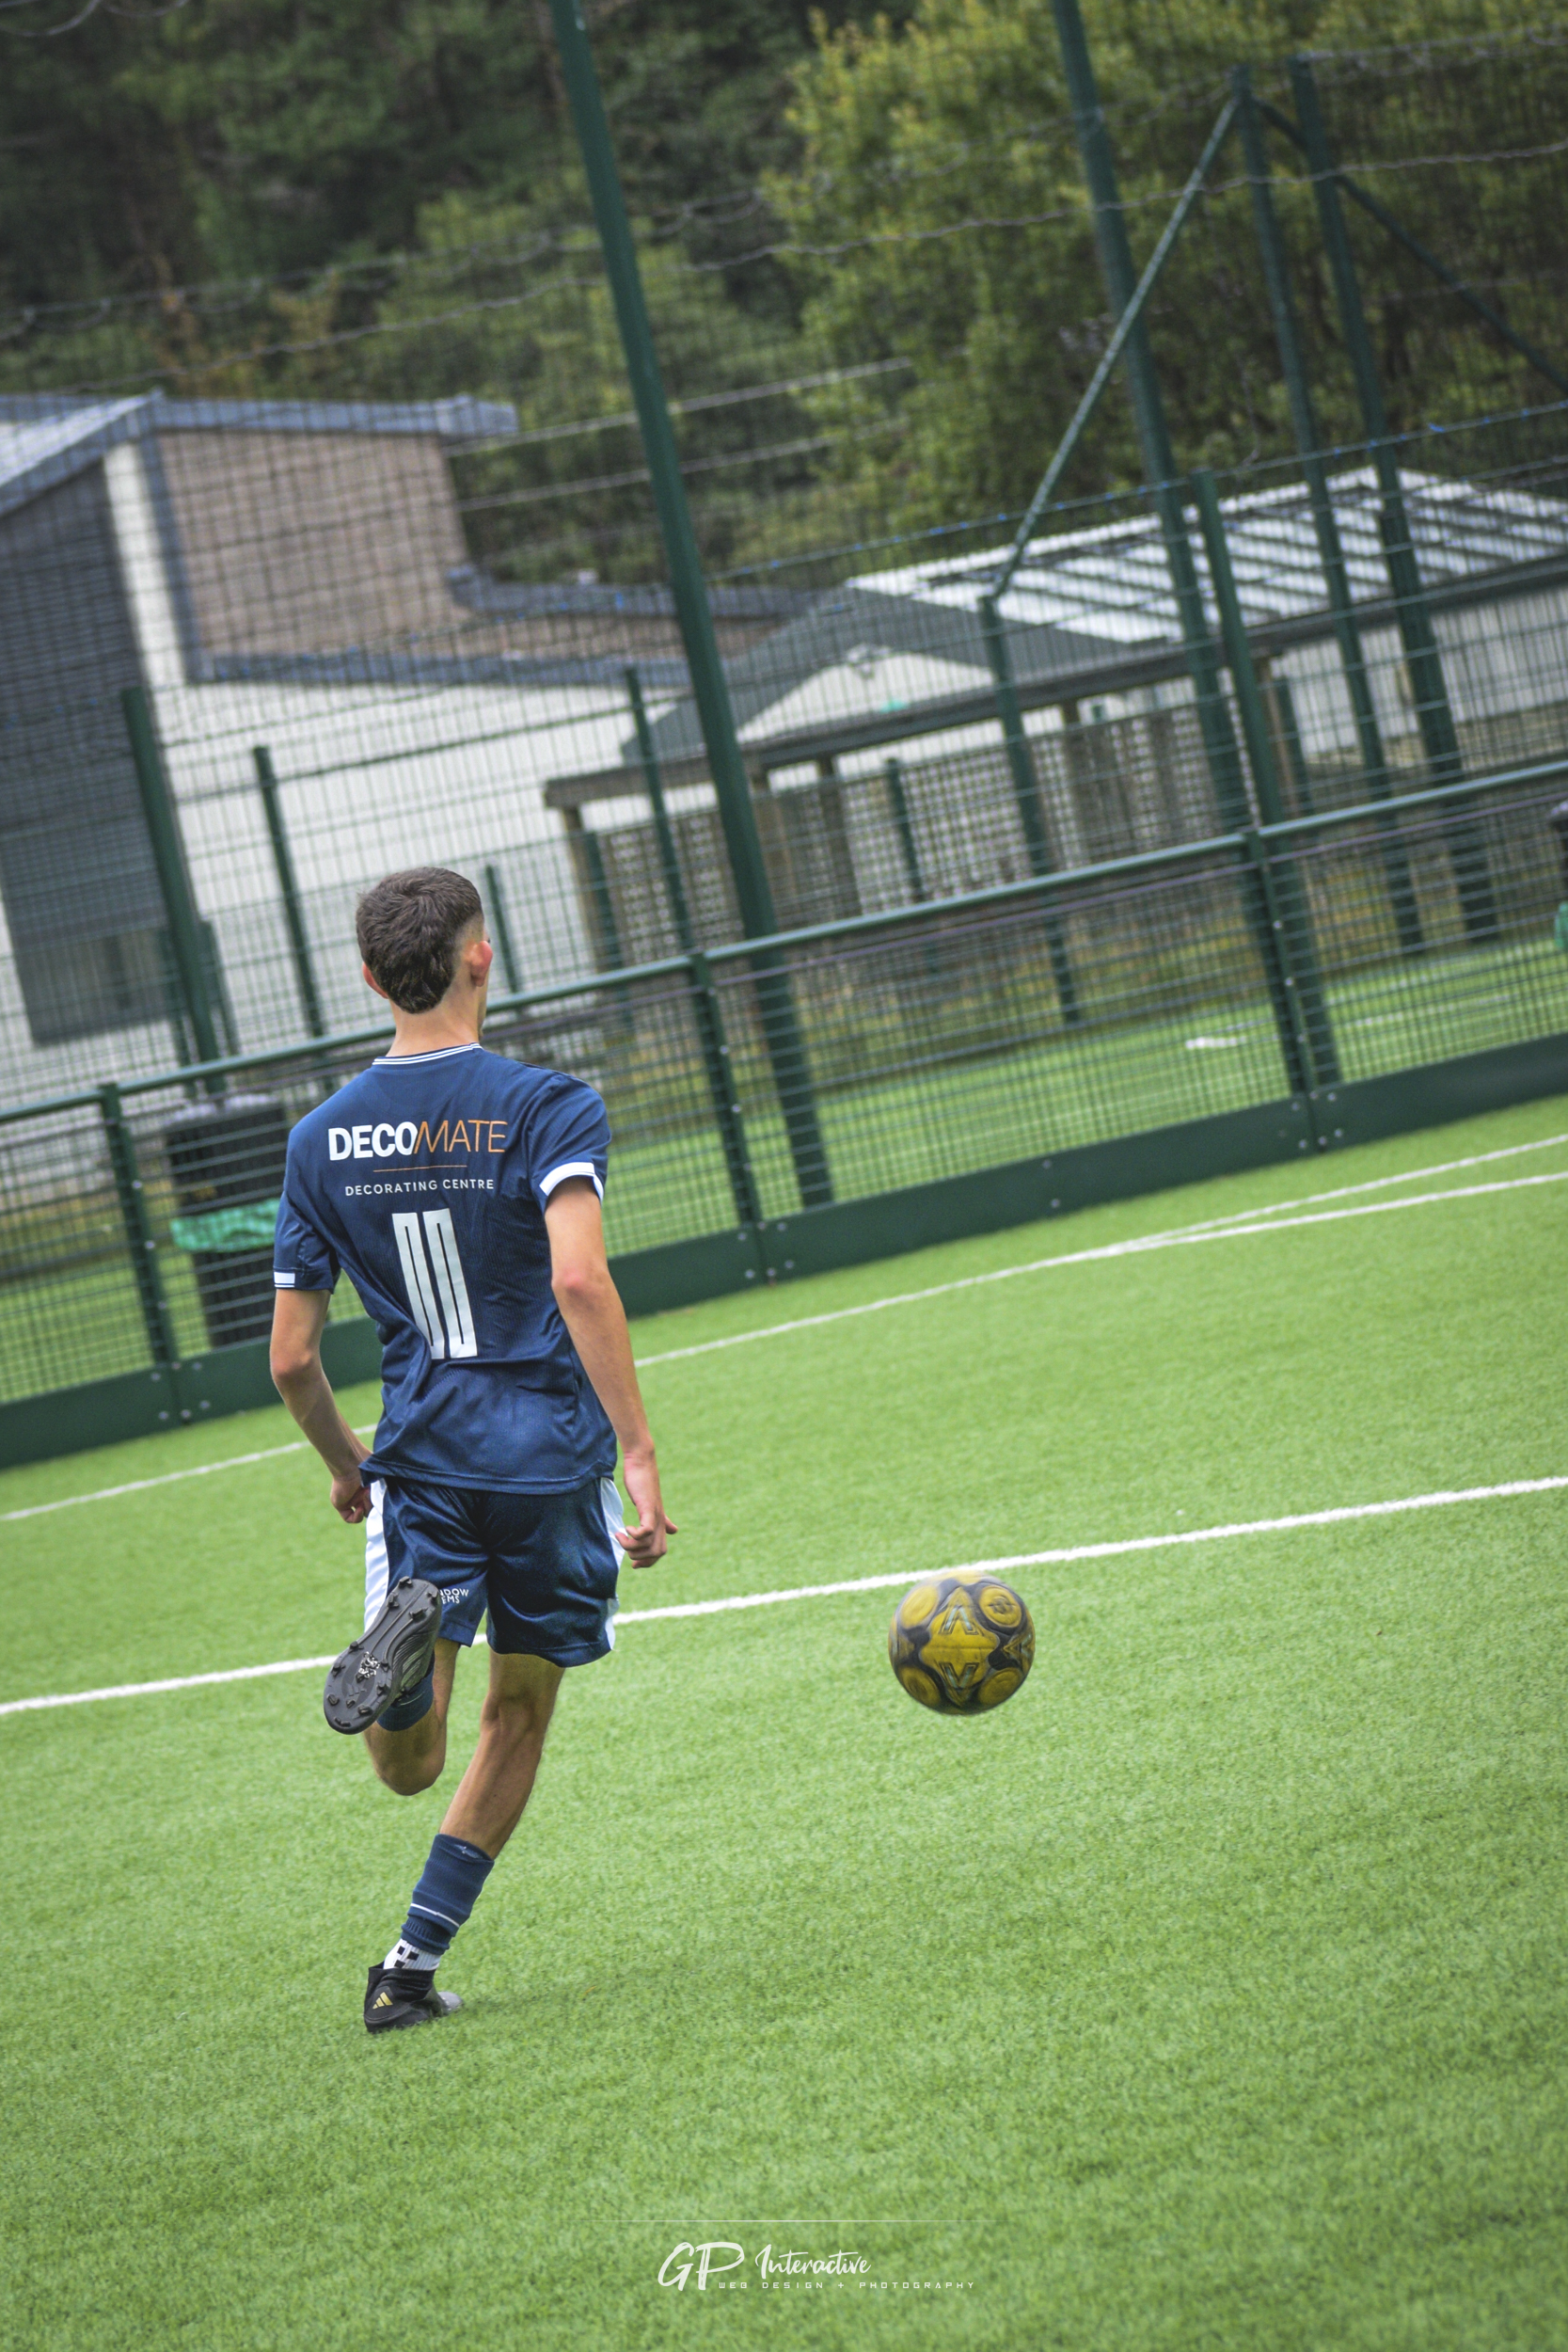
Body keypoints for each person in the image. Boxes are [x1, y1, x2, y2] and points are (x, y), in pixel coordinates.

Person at [269, 866, 673, 2033]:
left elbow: (292, 1360)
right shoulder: (548, 1104)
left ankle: (401, 1669)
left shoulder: (317, 1140)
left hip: (423, 1462)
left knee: (408, 1764)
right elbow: (578, 1278)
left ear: (368, 978)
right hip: (545, 1461)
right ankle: (405, 1971)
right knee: (519, 1715)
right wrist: (638, 1450)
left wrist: (346, 1465)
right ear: (479, 957)